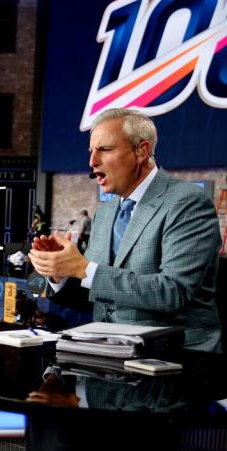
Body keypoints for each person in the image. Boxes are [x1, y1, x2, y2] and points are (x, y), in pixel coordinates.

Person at [29, 108, 221, 351]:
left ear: (141, 151)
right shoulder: (105, 212)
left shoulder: (188, 202)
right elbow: (99, 294)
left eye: (105, 150)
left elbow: (173, 292)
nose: (92, 161)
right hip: (109, 356)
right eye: (91, 152)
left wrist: (84, 268)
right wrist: (60, 272)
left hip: (173, 360)